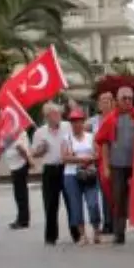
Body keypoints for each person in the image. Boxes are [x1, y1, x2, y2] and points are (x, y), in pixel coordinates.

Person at [95, 87, 134, 245]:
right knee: (118, 200)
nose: (127, 101)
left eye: (130, 98)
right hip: (117, 165)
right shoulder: (110, 118)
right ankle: (119, 234)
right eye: (124, 98)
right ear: (117, 100)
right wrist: (106, 166)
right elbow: (104, 143)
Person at [31, 103, 70, 245]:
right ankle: (51, 236)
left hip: (66, 167)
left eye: (58, 113)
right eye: (54, 114)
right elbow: (34, 153)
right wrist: (41, 149)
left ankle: (77, 233)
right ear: (47, 117)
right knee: (50, 204)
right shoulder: (40, 133)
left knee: (71, 201)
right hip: (50, 169)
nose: (57, 116)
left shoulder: (67, 127)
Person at [63, 110, 103, 245]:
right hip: (71, 175)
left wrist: (89, 159)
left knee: (93, 203)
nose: (76, 124)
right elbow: (64, 158)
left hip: (89, 173)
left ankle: (96, 232)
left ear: (83, 122)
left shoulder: (91, 137)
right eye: (73, 122)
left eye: (79, 121)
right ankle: (82, 235)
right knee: (75, 205)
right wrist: (80, 159)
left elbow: (98, 154)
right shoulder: (67, 138)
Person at [88, 90, 115, 234]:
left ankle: (117, 222)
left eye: (108, 100)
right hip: (99, 161)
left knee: (116, 193)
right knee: (105, 192)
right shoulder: (93, 121)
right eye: (102, 101)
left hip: (115, 160)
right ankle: (108, 223)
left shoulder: (117, 118)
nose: (105, 103)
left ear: (113, 103)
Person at [2, 124, 32, 230]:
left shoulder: (17, 131)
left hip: (20, 164)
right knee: (19, 193)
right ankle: (22, 218)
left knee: (20, 193)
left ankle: (23, 220)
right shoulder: (9, 131)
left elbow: (20, 148)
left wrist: (29, 160)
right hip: (15, 165)